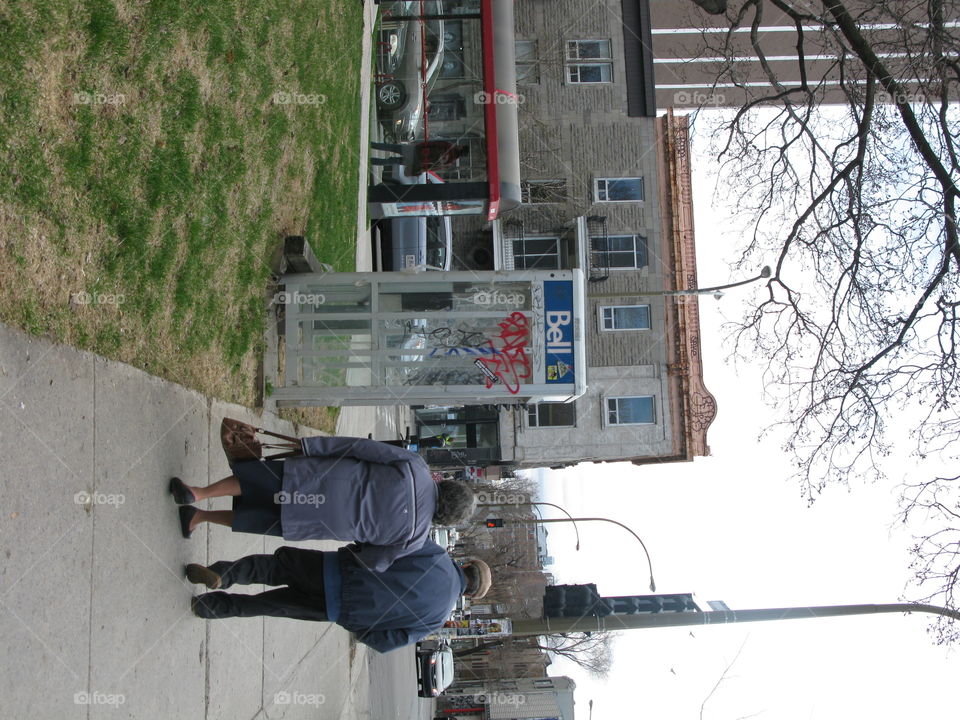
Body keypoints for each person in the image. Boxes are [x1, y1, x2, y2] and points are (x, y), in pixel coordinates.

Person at [169, 435, 476, 572]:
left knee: (257, 483)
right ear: (445, 520)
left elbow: (361, 448)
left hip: (321, 478)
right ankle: (199, 518)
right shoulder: (413, 538)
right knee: (257, 518)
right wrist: (359, 542)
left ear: (446, 485)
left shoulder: (415, 467)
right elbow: (374, 562)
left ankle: (198, 492)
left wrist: (312, 445)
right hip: (322, 521)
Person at [186, 542, 492, 653]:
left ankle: (224, 575)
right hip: (338, 609)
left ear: (466, 564)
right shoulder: (436, 618)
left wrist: (356, 550)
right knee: (271, 605)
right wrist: (355, 622)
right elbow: (387, 642)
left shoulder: (435, 555)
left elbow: (389, 542)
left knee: (274, 568)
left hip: (337, 570)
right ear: (469, 594)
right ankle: (210, 608)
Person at [370, 140, 469, 174]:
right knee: (392, 161)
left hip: (418, 151)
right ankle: (372, 161)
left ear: (461, 148)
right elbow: (433, 167)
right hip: (418, 161)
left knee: (393, 148)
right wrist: (420, 168)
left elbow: (432, 143)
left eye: (461, 146)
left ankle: (372, 145)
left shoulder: (448, 146)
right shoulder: (449, 162)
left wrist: (419, 146)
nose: (460, 145)